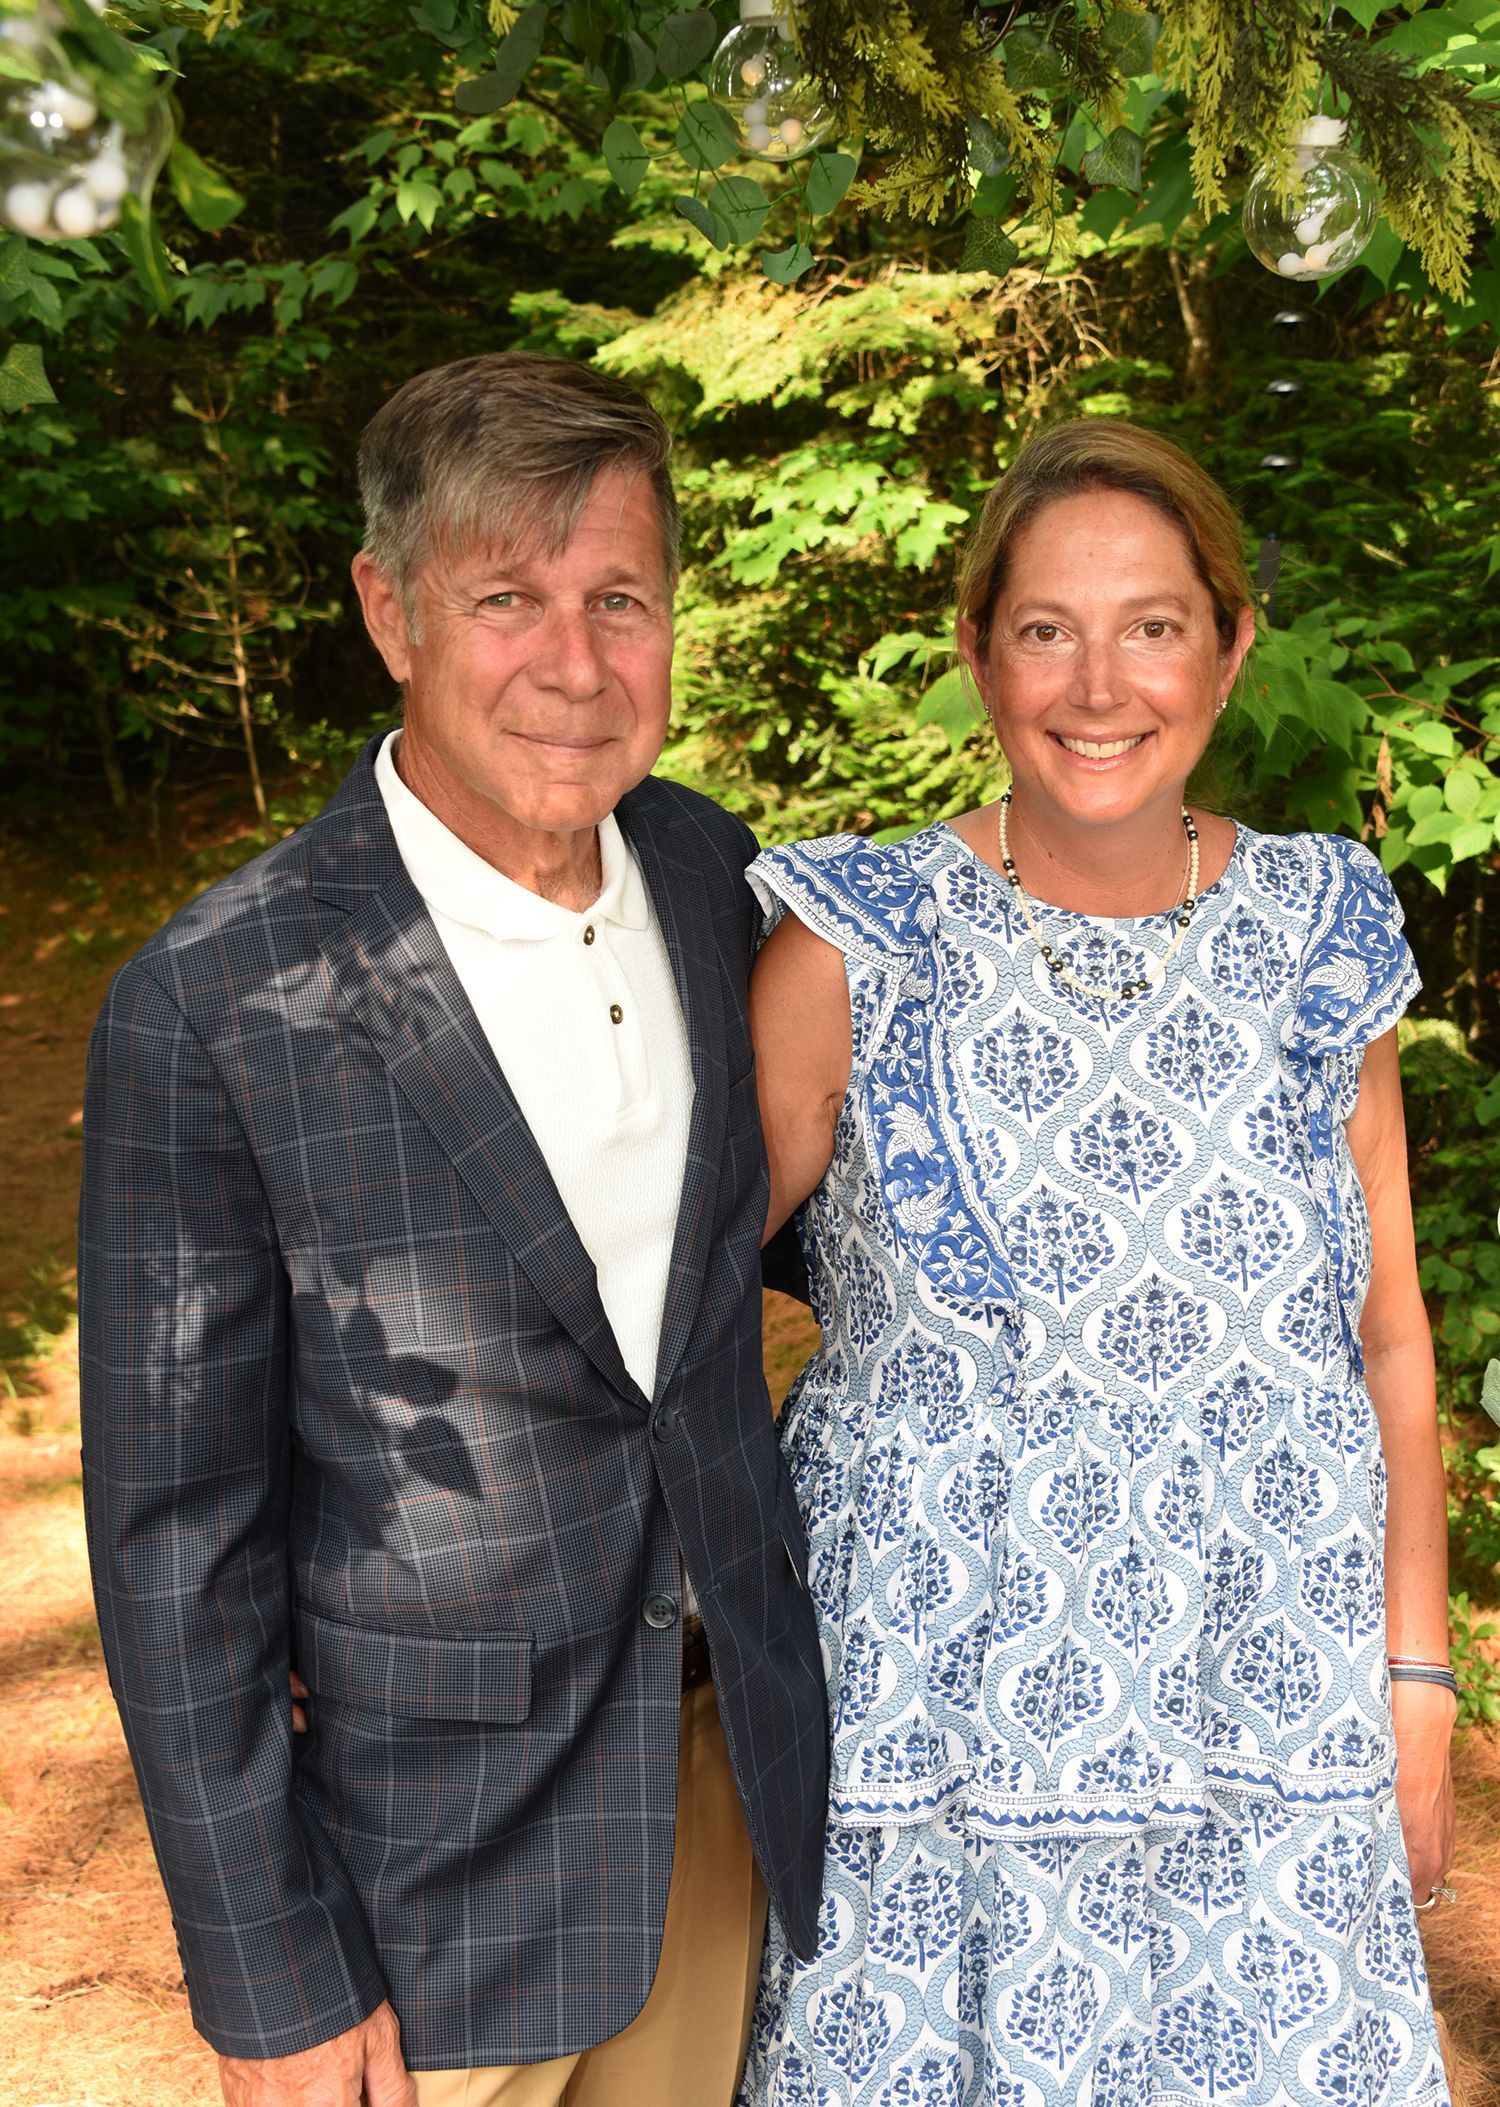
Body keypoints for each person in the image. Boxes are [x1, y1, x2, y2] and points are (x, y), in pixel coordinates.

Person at [79, 351, 827, 2107]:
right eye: (508, 598)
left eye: (620, 598)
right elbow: (174, 1547)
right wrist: (269, 1975)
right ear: (389, 609)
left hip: (724, 1803)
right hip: (430, 1900)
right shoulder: (220, 1001)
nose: (575, 665)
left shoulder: (723, 881)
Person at [739, 420, 1456, 2106]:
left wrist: (1414, 1681)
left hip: (1266, 1704)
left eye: (1151, 623)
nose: (1097, 682)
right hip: (932, 1721)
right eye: (1046, 627)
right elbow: (670, 1311)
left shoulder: (1319, 931)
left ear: (1230, 645)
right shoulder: (851, 943)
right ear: (979, 651)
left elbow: (1392, 1339)